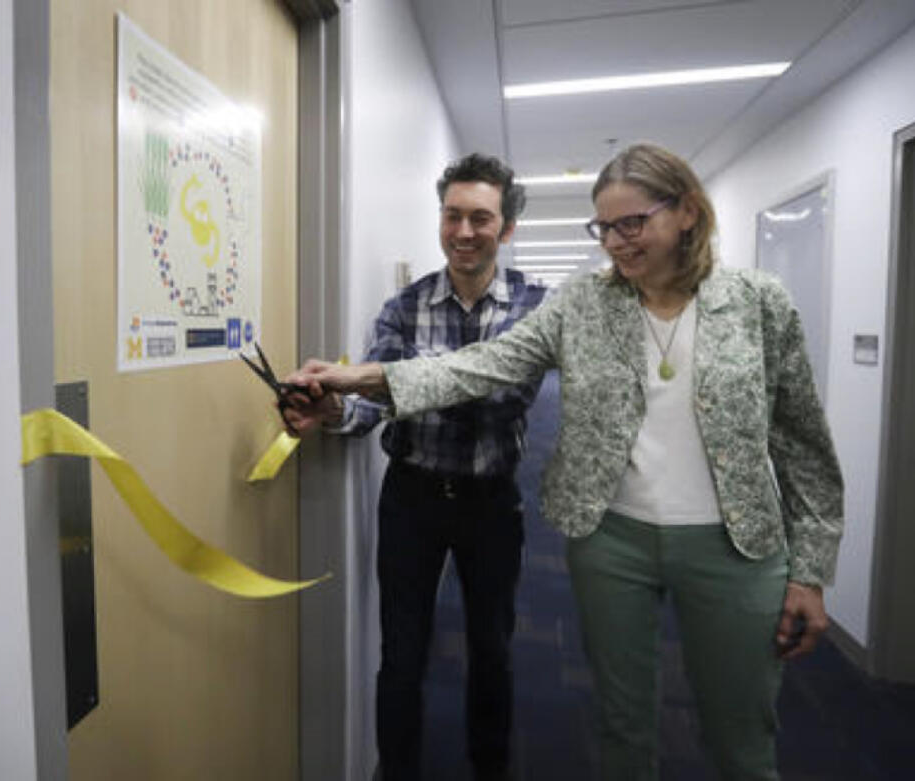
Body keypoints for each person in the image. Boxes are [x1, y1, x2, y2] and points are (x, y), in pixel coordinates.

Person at [285, 143, 844, 781]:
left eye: (633, 223)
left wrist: (811, 568)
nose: (616, 242)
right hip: (604, 536)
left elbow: (803, 444)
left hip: (732, 545)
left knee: (740, 732)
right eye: (603, 227)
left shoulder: (758, 302)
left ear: (688, 212)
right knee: (620, 722)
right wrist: (352, 381)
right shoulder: (582, 303)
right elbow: (478, 366)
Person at [292, 153, 539, 781]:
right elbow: (369, 408)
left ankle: (491, 767)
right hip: (413, 499)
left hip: (492, 503)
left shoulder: (537, 309)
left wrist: (392, 383)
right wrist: (331, 414)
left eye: (480, 218)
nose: (463, 232)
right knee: (401, 654)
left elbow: (502, 393)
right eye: (452, 216)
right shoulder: (403, 307)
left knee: (492, 651)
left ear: (506, 228)